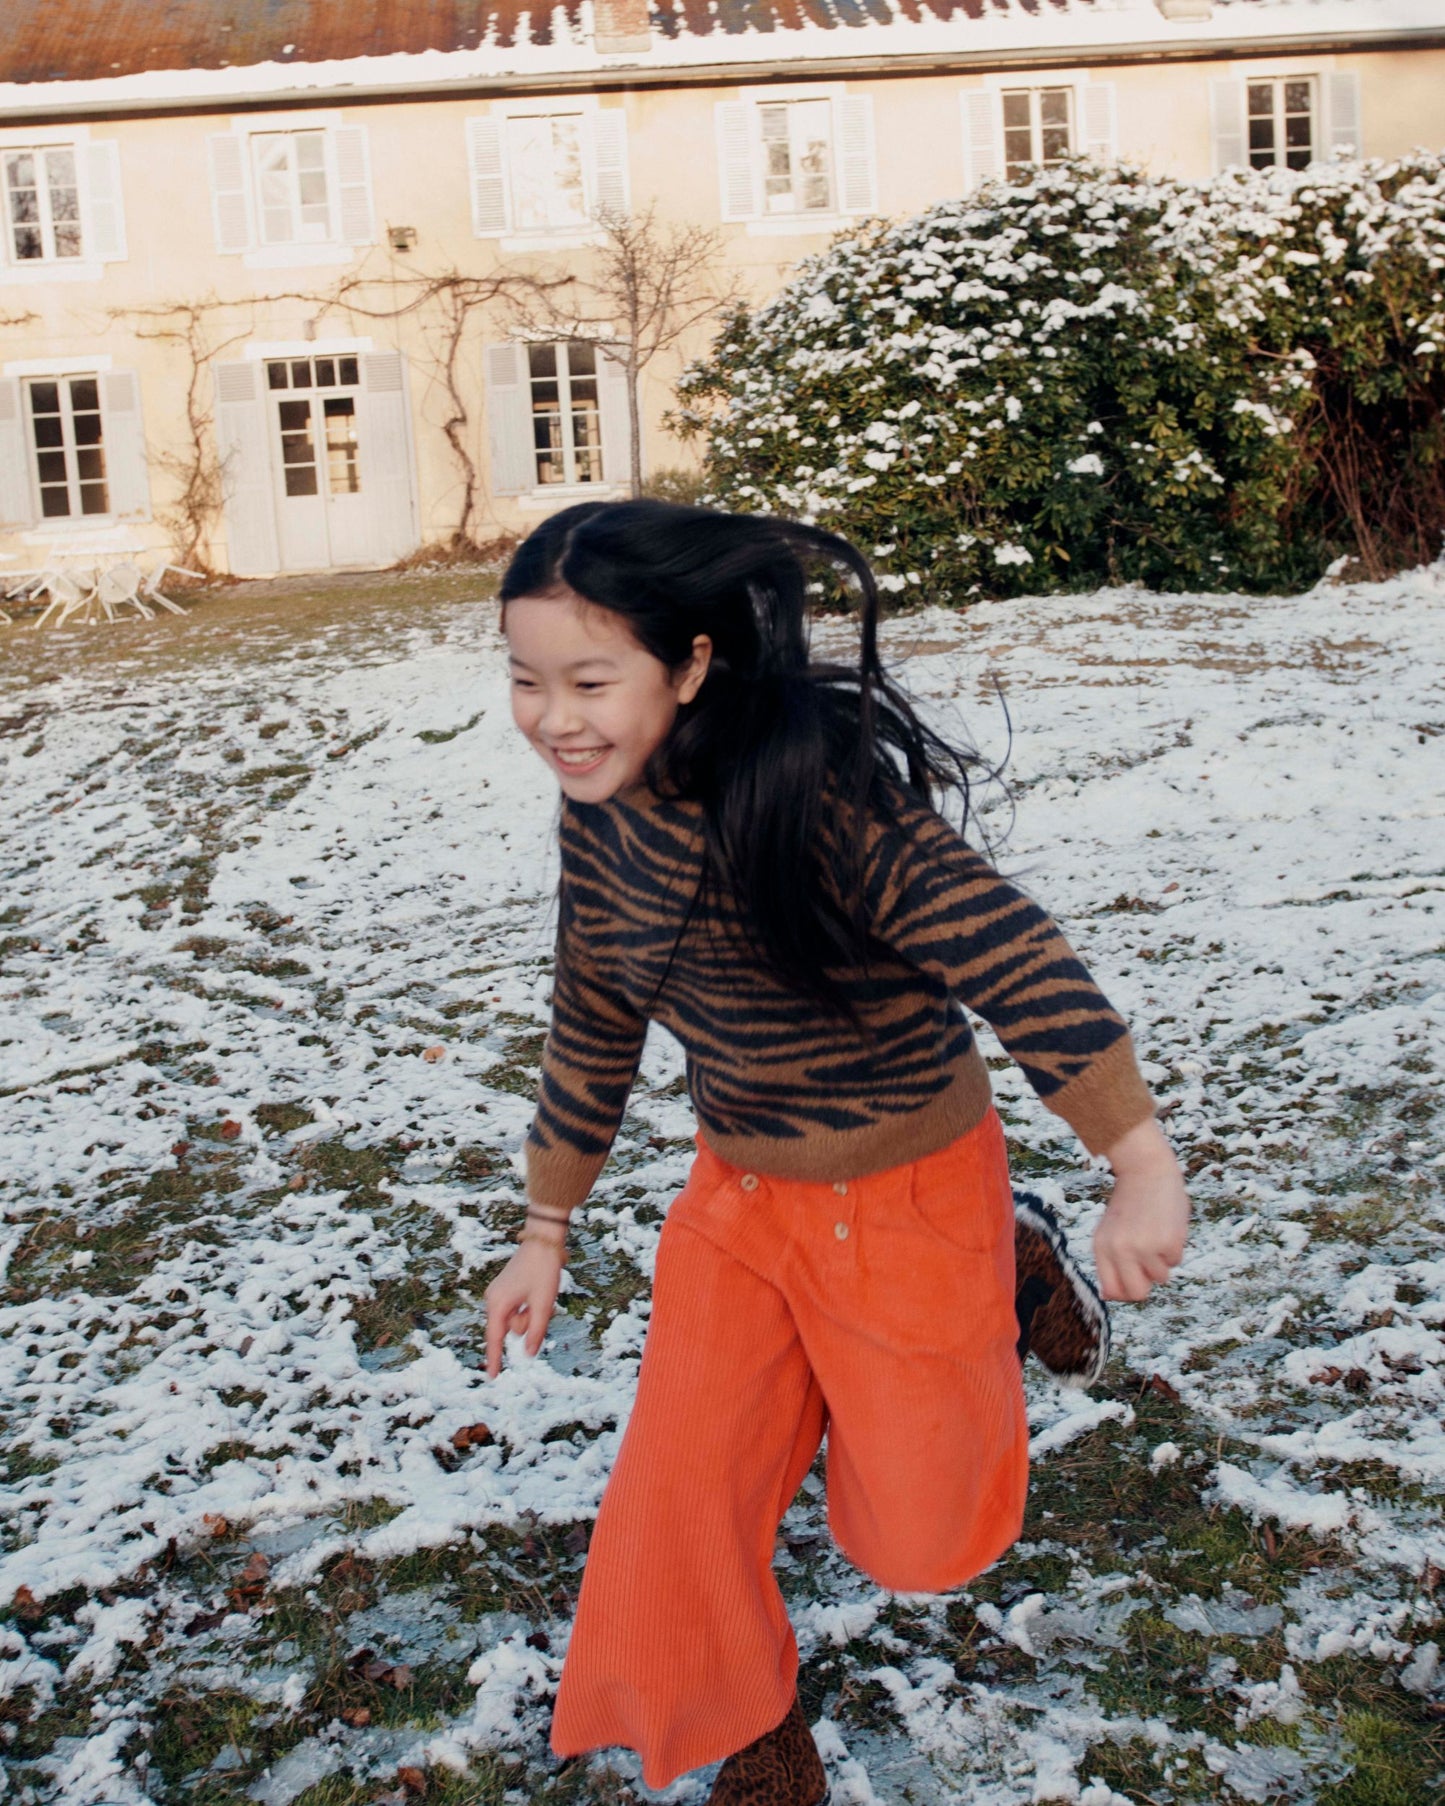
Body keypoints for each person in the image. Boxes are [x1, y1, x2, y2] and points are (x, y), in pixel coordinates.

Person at [483, 500, 1190, 1805]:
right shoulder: (602, 826)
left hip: (912, 1187)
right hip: (740, 1198)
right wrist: (546, 1229)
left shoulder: (819, 804)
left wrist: (1135, 1160)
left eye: (589, 678)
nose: (552, 716)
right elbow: (591, 1020)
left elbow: (1007, 950)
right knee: (678, 1490)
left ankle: (1010, 1254)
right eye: (525, 680)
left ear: (689, 665)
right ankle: (749, 1732)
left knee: (919, 1538)